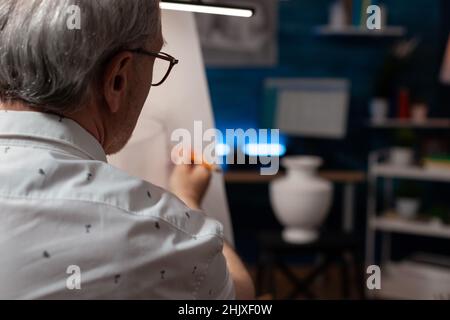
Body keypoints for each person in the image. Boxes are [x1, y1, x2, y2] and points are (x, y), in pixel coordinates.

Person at [0, 0, 254, 300]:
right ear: (118, 78)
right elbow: (241, 295)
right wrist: (188, 202)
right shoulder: (169, 234)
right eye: (156, 59)